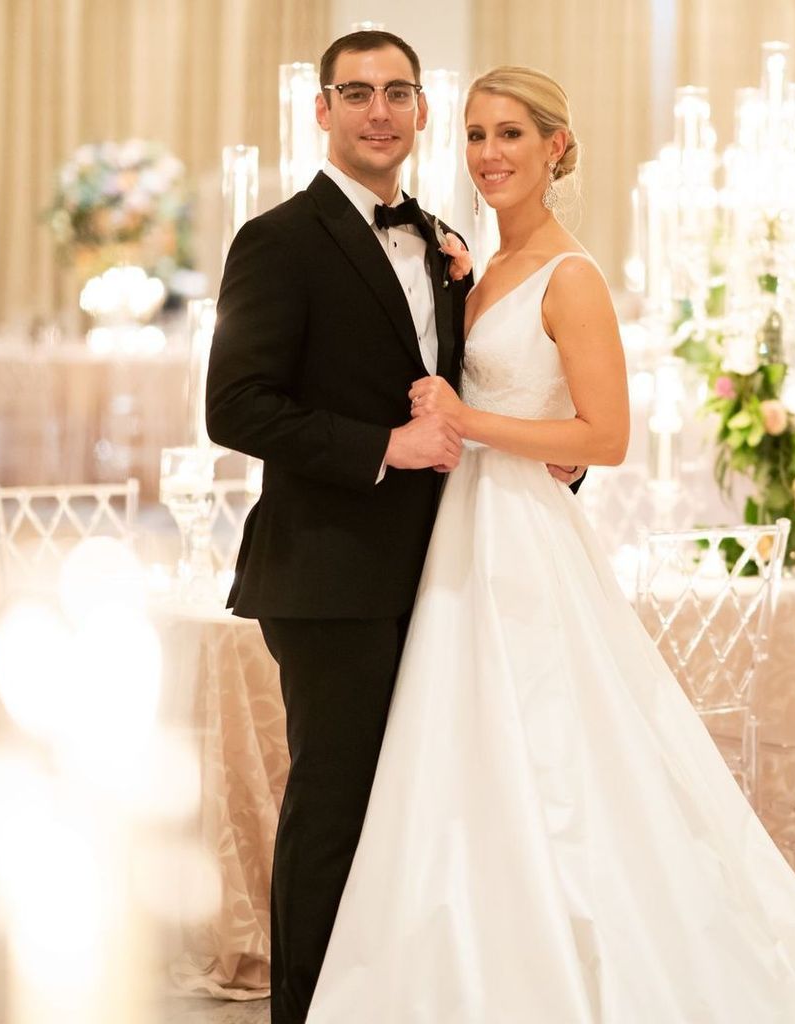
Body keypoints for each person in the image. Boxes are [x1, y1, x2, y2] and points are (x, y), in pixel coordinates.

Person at [304, 66, 795, 1022]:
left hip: (524, 546)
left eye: (509, 136)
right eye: (474, 135)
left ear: (555, 149)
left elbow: (604, 438)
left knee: (550, 755)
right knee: (461, 759)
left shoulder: (571, 277)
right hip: (464, 535)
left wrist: (471, 420)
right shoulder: (482, 265)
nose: (488, 155)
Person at [205, 31, 582, 1023]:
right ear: (322, 111)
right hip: (329, 576)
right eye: (358, 93)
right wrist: (385, 445)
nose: (381, 111)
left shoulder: (450, 244)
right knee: (336, 810)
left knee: (421, 807)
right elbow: (234, 406)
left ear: (420, 111)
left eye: (400, 92)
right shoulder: (277, 240)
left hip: (449, 569)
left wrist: (557, 457)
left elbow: (479, 393)